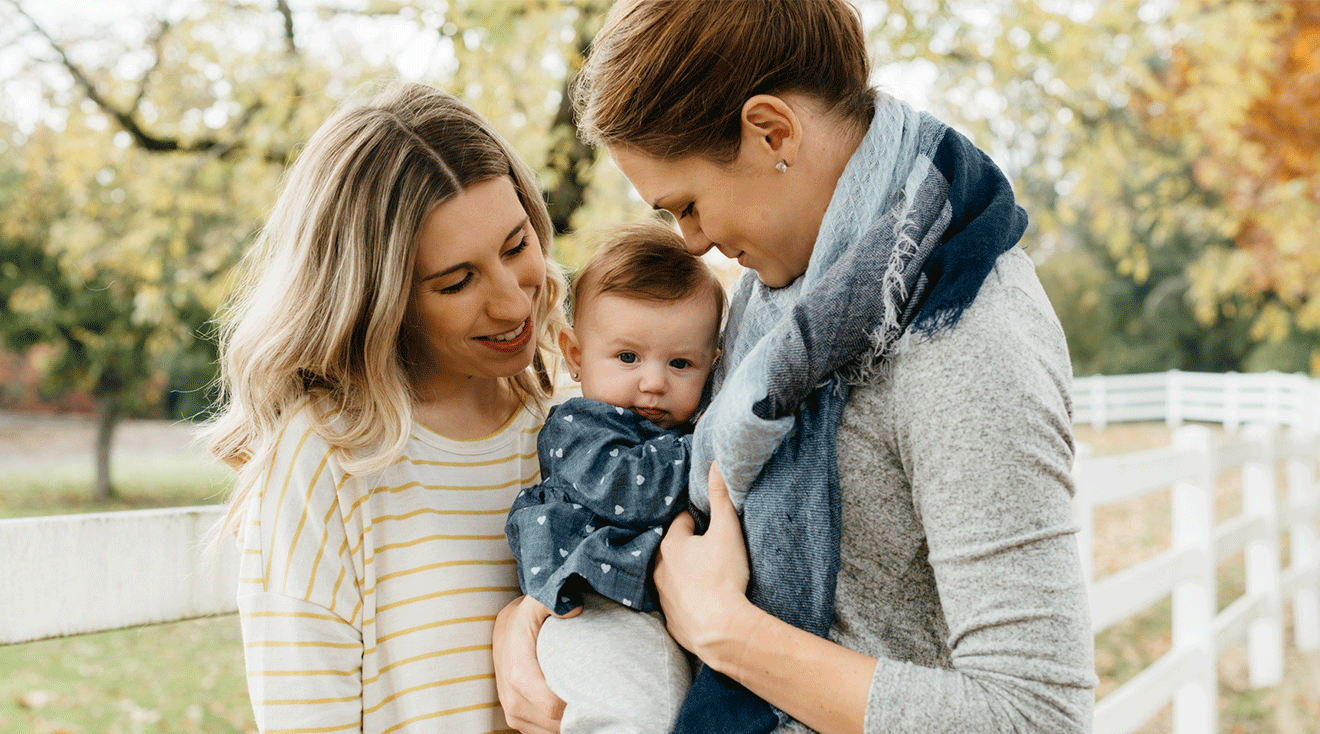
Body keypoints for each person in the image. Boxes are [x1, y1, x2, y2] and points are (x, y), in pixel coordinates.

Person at [493, 2, 1098, 734]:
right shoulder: (787, 302)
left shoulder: (961, 335)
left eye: (687, 205)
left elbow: (1036, 716)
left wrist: (731, 635)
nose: (691, 243)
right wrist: (541, 609)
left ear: (771, 132)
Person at [203, 81, 568, 734]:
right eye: (457, 281)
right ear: (380, 298)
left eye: (517, 246)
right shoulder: (327, 461)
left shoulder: (576, 423)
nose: (514, 302)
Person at [505, 222, 725, 733]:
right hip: (591, 607)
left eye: (680, 363)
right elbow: (631, 490)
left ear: (712, 367)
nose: (653, 382)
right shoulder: (580, 427)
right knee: (635, 716)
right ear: (576, 355)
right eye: (628, 357)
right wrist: (715, 445)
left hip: (648, 612)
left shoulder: (679, 427)